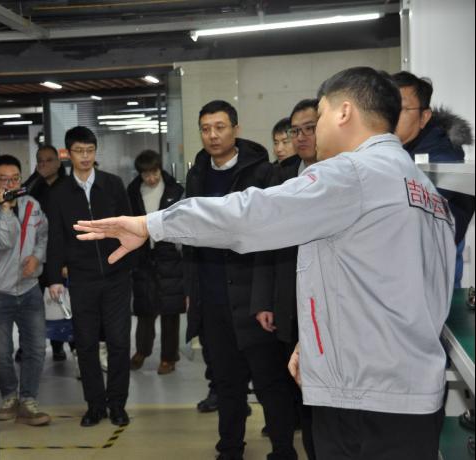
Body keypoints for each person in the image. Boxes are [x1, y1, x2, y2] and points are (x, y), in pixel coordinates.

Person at [74, 67, 455, 460]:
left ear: (344, 112)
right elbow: (405, 291)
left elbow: (251, 215)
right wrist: (318, 343)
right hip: (411, 393)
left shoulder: (353, 173)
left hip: (366, 397)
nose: (314, 131)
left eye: (320, 116)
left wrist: (150, 224)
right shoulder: (422, 187)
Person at [172, 99, 296, 460]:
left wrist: (266, 300)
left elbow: (272, 241)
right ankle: (229, 450)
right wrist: (192, 292)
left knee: (270, 382)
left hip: (253, 300)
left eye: (220, 127)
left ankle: (283, 450)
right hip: (212, 297)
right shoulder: (198, 174)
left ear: (236, 129)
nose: (213, 135)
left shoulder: (262, 172)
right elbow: (191, 236)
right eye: (205, 129)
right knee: (226, 383)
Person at [45, 126, 133, 427]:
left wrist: (129, 264)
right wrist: (54, 277)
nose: (85, 156)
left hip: (117, 276)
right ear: (68, 154)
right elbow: (56, 237)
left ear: (96, 152)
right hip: (82, 279)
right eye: (79, 151)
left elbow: (130, 226)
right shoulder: (59, 193)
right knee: (85, 343)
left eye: (90, 151)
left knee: (119, 342)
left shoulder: (113, 184)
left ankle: (117, 404)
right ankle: (95, 405)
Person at [252, 107, 319, 459]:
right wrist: (264, 300)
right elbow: (265, 241)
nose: (301, 137)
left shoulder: (339, 174)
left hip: (325, 307)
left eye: (310, 128)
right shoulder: (278, 178)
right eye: (295, 131)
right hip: (286, 299)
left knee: (316, 398)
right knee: (285, 382)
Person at [392, 71, 475, 288]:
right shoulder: (394, 148)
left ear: (424, 116)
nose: (390, 116)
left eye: (401, 108)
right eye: (387, 107)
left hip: (433, 265)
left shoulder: (443, 155)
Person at [0, 154, 51, 426]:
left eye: (15, 179)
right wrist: (5, 209)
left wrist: (37, 257)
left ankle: (28, 400)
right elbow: (4, 243)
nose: (11, 184)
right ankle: (9, 397)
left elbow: (43, 236)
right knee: (0, 352)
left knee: (35, 348)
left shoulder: (32, 205)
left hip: (29, 289)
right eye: (4, 179)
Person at [127, 150, 185, 375]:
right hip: (143, 257)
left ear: (160, 169)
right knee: (145, 309)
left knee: (170, 310)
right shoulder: (132, 192)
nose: (151, 178)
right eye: (146, 174)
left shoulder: (175, 191)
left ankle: (169, 357)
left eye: (154, 173)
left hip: (169, 256)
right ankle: (142, 351)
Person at [22, 144, 74, 362]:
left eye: (49, 160)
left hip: (62, 253)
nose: (44, 164)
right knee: (35, 305)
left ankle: (66, 345)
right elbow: (20, 198)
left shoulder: (69, 186)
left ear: (58, 162)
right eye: (40, 161)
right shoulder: (34, 186)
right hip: (37, 254)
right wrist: (37, 176)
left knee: (65, 302)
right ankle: (32, 346)